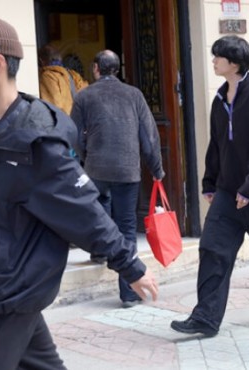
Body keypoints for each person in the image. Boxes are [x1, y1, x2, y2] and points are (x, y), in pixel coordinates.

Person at [0, 17, 158, 370]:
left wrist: (130, 266)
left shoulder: (34, 139)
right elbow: (15, 192)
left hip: (8, 294)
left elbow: (83, 210)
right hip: (5, 280)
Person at [170, 35, 249, 338]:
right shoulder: (219, 99)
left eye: (218, 57)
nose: (213, 61)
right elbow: (216, 144)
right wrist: (209, 181)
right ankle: (205, 317)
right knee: (213, 250)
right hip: (228, 194)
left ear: (235, 63)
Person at [71, 50, 165, 308]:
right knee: (126, 229)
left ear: (96, 68)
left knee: (98, 216)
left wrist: (86, 156)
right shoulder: (134, 95)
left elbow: (74, 136)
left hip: (96, 169)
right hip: (127, 170)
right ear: (117, 69)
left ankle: (100, 252)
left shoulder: (84, 96)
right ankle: (129, 292)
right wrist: (157, 168)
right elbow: (148, 138)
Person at [38, 44, 88, 115]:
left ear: (41, 61)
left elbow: (53, 107)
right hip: (77, 121)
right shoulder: (73, 74)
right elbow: (86, 95)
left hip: (63, 122)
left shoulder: (47, 76)